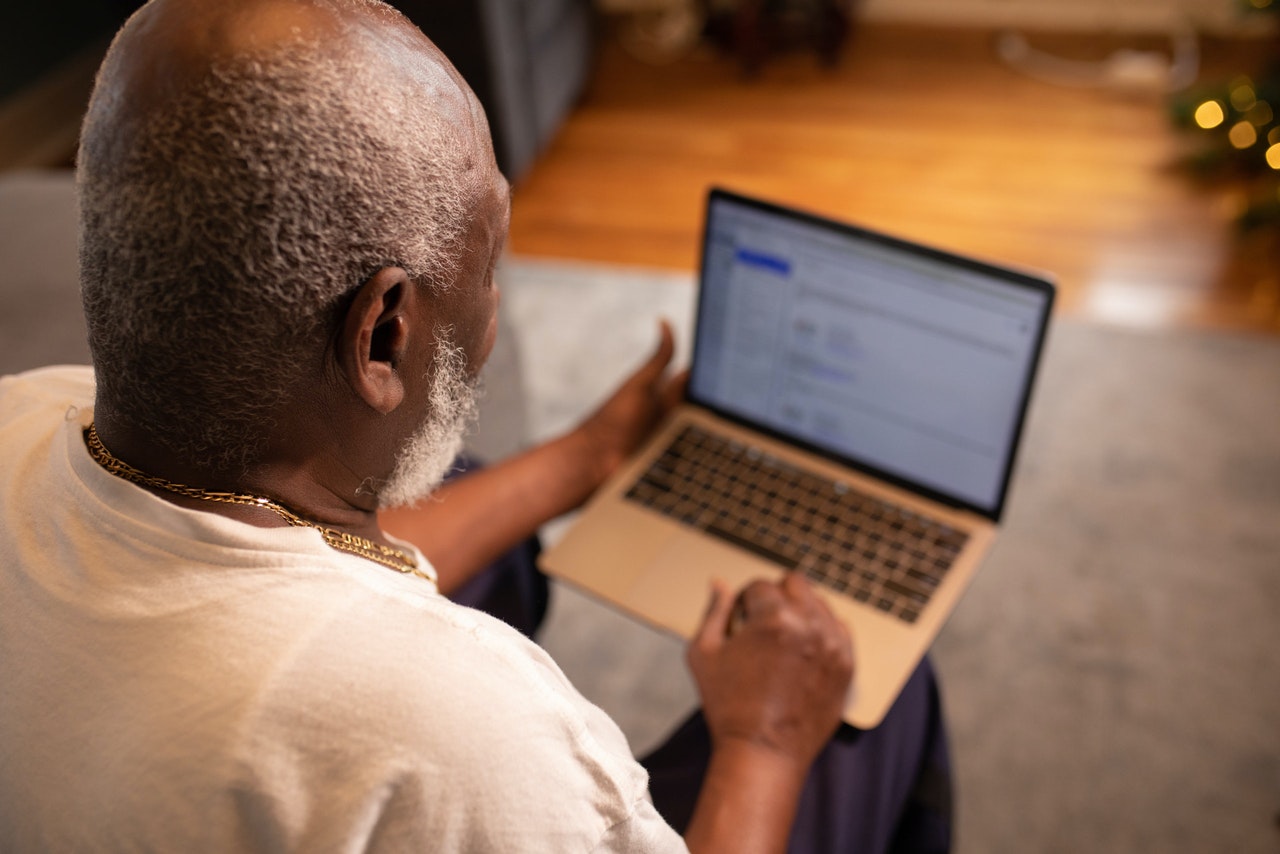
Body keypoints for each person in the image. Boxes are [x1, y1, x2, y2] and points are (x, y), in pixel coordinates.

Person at [0, 0, 951, 851]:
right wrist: (766, 742)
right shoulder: (465, 743)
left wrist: (586, 458)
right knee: (872, 690)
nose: (494, 305)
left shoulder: (25, 411)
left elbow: (248, 560)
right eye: (489, 258)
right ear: (382, 334)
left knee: (489, 506)